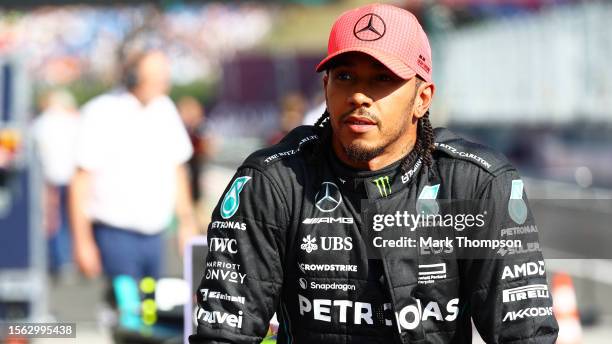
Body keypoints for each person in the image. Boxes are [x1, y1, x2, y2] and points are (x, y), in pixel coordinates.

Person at [190, 4, 558, 344]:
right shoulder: (270, 182)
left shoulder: (479, 183)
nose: (359, 96)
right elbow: (223, 335)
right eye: (345, 76)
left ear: (422, 98)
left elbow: (525, 336)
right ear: (326, 88)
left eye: (383, 78)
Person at [70, 50, 197, 283]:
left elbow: (177, 169)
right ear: (133, 77)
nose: (164, 82)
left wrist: (186, 223)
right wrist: (82, 241)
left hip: (156, 236)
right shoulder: (100, 112)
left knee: (153, 309)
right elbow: (81, 181)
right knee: (127, 312)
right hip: (115, 235)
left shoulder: (164, 109)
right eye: (157, 76)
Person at [32, 89, 79, 275]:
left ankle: (61, 260)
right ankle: (69, 259)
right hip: (72, 177)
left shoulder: (42, 123)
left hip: (53, 178)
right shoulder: (74, 121)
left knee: (55, 221)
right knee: (69, 220)